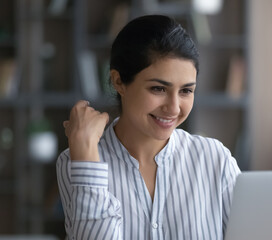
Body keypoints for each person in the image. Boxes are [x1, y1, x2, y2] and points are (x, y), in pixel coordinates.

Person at [56, 15, 241, 240]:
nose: (174, 108)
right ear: (118, 81)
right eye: (158, 89)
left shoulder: (215, 160)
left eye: (186, 91)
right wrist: (85, 152)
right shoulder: (76, 162)